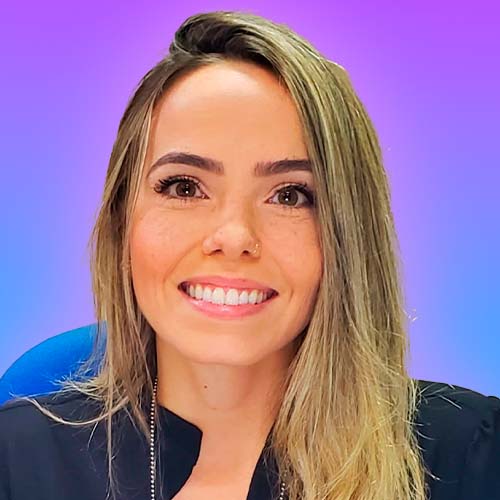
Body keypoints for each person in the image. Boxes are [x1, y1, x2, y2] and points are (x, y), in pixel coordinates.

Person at [0, 10, 499, 500]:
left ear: (349, 234)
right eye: (184, 187)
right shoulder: (17, 464)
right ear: (120, 219)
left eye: (290, 195)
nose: (234, 235)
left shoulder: (473, 459)